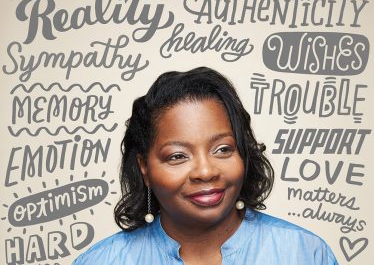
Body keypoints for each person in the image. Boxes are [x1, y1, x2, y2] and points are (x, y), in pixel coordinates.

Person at [73, 67, 338, 264]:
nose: (205, 171)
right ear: (145, 168)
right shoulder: (103, 261)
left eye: (223, 149)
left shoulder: (304, 253)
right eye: (177, 156)